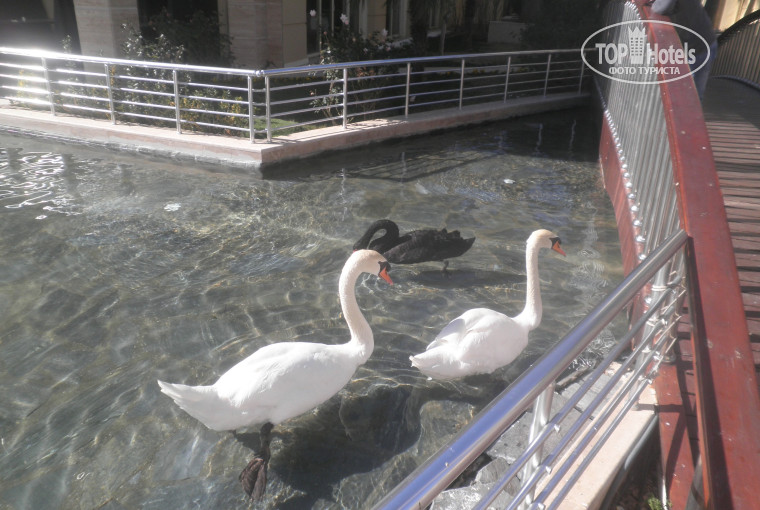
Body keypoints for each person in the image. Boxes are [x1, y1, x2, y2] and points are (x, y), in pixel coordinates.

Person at [649, 0, 718, 100]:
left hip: (696, 49)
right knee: (694, 96)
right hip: (704, 42)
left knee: (689, 98)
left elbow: (662, 7)